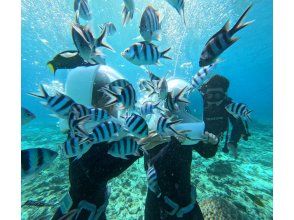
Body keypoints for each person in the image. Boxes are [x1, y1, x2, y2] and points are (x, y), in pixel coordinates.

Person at [51, 65, 161, 220]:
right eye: (107, 97)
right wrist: (139, 147)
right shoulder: (81, 135)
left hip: (93, 210)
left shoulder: (90, 127)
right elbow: (98, 174)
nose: (115, 102)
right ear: (90, 103)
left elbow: (120, 141)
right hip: (77, 215)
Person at [143, 79, 219, 220]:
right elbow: (153, 166)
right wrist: (175, 143)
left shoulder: (186, 130)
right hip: (158, 205)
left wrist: (211, 144)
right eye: (176, 108)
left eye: (185, 109)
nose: (181, 114)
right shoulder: (153, 134)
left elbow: (206, 153)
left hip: (186, 199)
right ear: (164, 107)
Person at [199, 74, 250, 158]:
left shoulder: (228, 105)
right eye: (210, 96)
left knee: (208, 153)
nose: (213, 101)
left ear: (224, 96)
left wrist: (233, 141)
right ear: (205, 95)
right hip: (201, 134)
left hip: (218, 134)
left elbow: (238, 124)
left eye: (218, 96)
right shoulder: (201, 101)